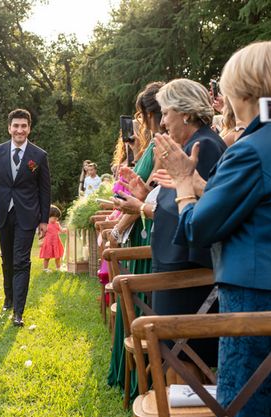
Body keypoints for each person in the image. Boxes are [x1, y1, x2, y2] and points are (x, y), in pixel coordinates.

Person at [158, 40, 271, 417]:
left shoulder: (250, 150)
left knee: (246, 409)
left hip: (255, 301)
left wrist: (182, 183)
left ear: (244, 91)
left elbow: (199, 228)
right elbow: (261, 202)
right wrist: (202, 186)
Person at [114, 78, 227, 417]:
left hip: (188, 266)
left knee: (183, 350)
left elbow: (203, 208)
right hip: (172, 260)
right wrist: (147, 195)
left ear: (185, 111)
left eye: (165, 113)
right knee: (173, 350)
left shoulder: (207, 146)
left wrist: (147, 206)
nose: (161, 122)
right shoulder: (189, 143)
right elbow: (175, 195)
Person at [106, 81, 164, 399]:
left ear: (145, 114)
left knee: (142, 309)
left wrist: (116, 231)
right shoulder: (152, 146)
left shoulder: (159, 146)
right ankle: (136, 378)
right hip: (141, 231)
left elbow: (143, 198)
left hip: (146, 234)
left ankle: (146, 383)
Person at [0, 108, 51, 327]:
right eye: (16, 126)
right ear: (9, 127)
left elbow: (44, 190)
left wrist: (44, 220)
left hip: (27, 215)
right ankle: (8, 298)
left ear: (29, 128)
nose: (19, 130)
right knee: (7, 259)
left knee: (21, 261)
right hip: (4, 212)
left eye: (23, 126)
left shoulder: (39, 156)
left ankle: (18, 312)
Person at [39, 205, 65, 272]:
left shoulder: (57, 224)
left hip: (56, 242)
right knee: (47, 257)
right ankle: (45, 268)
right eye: (54, 218)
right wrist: (41, 241)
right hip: (48, 243)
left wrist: (66, 230)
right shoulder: (46, 224)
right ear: (49, 216)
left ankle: (58, 268)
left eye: (57, 218)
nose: (56, 219)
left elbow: (61, 230)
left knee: (58, 256)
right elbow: (42, 234)